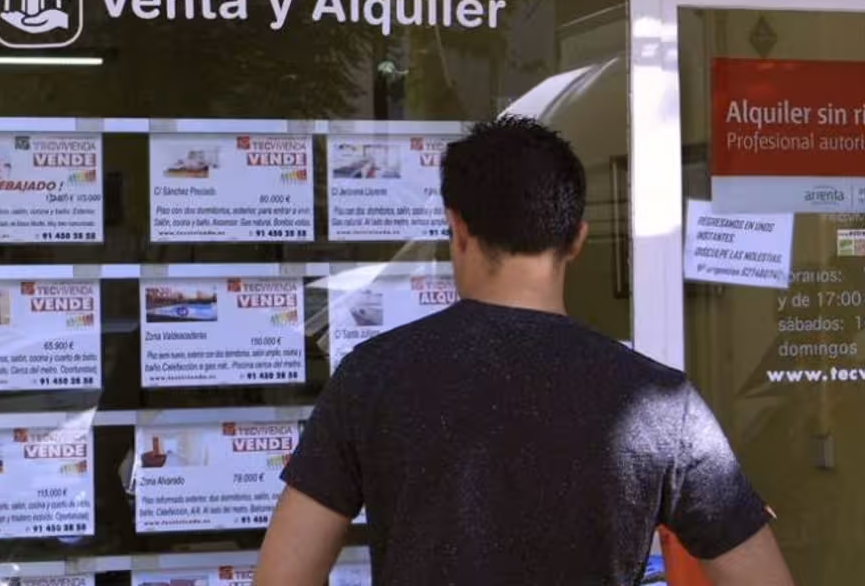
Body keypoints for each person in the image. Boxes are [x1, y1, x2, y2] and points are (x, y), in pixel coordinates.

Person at [255, 116, 795, 586]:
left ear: (456, 230)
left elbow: (283, 576)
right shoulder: (660, 403)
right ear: (576, 239)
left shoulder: (373, 377)